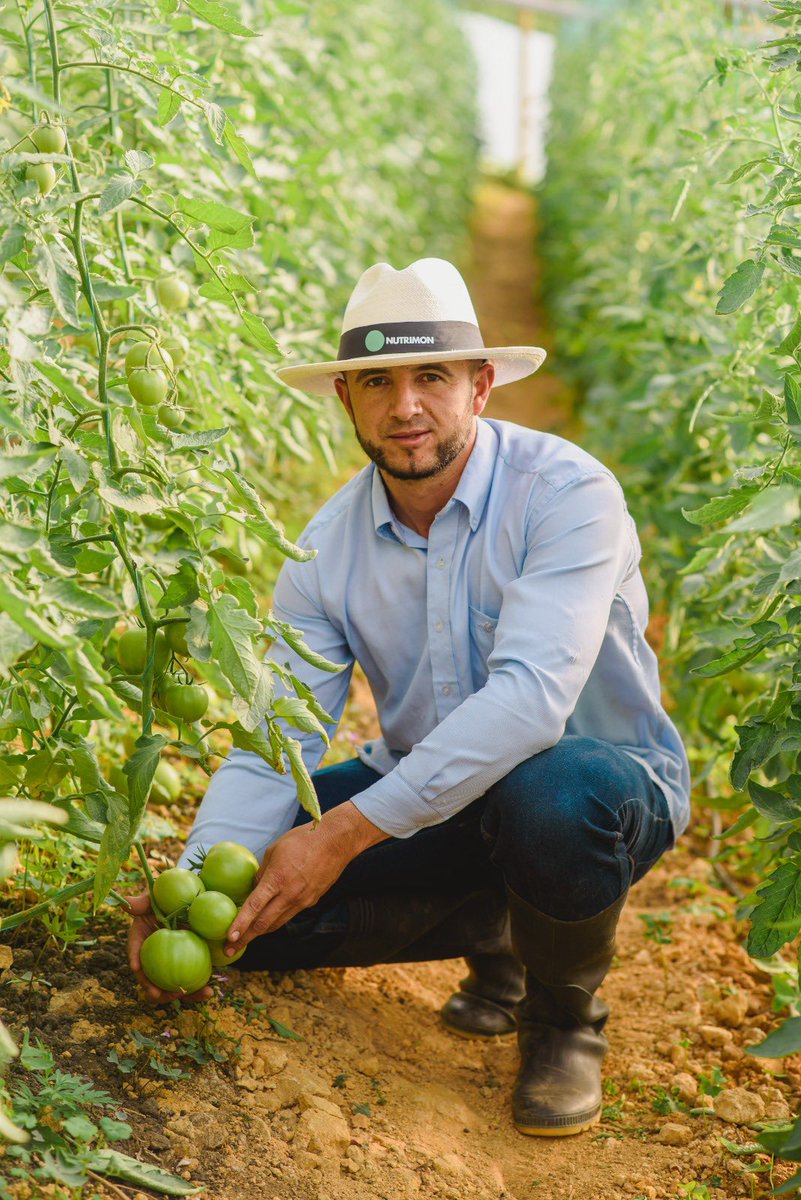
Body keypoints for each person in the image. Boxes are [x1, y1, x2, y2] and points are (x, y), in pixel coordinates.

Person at [128, 257, 690, 1137]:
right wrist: (194, 886)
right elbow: (278, 737)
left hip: (601, 786)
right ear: (345, 399)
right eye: (377, 383)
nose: (406, 408)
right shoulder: (325, 550)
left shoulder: (568, 494)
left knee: (549, 795)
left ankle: (560, 1021)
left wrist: (340, 838)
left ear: (481, 385)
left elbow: (532, 703)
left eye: (432, 377)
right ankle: (500, 927)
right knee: (254, 922)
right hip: (432, 799)